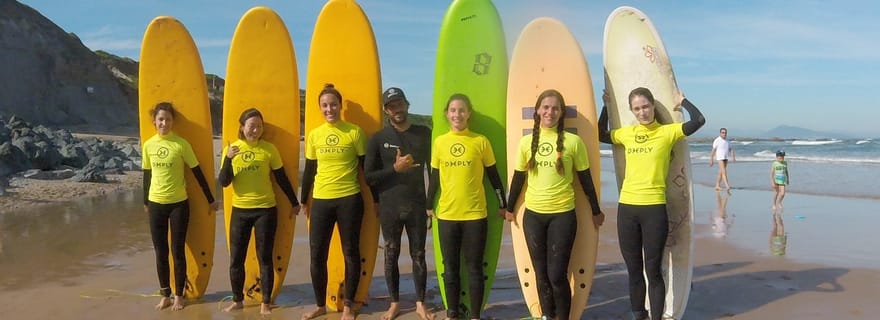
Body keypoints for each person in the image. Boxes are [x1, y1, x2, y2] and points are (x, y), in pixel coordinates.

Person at [598, 87, 705, 320]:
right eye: (637, 108)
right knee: (634, 270)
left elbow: (699, 120)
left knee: (653, 270)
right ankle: (639, 315)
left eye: (645, 106)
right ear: (632, 111)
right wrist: (606, 106)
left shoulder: (667, 133)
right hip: (626, 208)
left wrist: (682, 101)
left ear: (653, 106)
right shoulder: (626, 133)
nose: (642, 112)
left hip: (654, 209)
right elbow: (600, 134)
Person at [505, 89, 604, 320]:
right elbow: (519, 178)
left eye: (555, 108)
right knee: (541, 275)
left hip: (563, 215)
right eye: (546, 107)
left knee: (557, 274)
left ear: (561, 113)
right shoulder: (526, 142)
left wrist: (596, 210)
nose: (550, 111)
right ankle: (548, 317)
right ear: (538, 111)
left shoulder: (573, 142)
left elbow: (585, 179)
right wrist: (509, 208)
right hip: (533, 216)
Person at [426, 93, 507, 320]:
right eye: (453, 110)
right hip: (447, 215)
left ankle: (474, 316)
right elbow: (434, 177)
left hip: (475, 215)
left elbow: (494, 176)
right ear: (446, 114)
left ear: (469, 113)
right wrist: (428, 205)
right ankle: (452, 313)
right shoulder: (440, 142)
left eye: (461, 110)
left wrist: (503, 204)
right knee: (450, 267)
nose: (457, 114)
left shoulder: (480, 141)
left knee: (474, 269)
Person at [219, 108, 300, 315]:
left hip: (266, 210)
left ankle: (265, 301)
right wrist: (228, 158)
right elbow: (224, 182)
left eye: (259, 126)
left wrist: (294, 202)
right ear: (242, 127)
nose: (255, 130)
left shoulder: (269, 149)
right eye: (251, 126)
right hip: (240, 211)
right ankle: (238, 300)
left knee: (265, 257)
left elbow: (281, 178)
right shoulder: (233, 149)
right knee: (236, 259)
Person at [301, 84, 370, 320]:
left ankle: (349, 306)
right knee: (317, 255)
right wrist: (303, 201)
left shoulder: (354, 132)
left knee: (351, 252)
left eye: (333, 104)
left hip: (349, 199)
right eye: (324, 105)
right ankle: (320, 305)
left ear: (340, 106)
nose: (329, 109)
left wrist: (379, 199)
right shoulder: (314, 134)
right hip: (321, 200)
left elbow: (365, 168)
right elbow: (309, 170)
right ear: (320, 108)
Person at [364, 87, 434, 320]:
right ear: (386, 110)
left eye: (400, 103)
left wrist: (431, 203)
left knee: (418, 254)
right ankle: (394, 303)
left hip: (416, 205)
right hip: (390, 205)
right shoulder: (378, 139)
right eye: (392, 106)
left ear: (407, 104)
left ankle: (420, 303)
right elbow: (369, 177)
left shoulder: (424, 134)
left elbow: (434, 172)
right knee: (391, 253)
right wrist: (395, 169)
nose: (397, 109)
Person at [141, 102, 217, 311]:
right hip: (156, 203)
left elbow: (197, 172)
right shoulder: (148, 145)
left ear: (173, 122)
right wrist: (145, 202)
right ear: (154, 122)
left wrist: (210, 199)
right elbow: (146, 175)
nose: (164, 123)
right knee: (160, 251)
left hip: (179, 204)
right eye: (160, 119)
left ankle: (179, 296)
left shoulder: (181, 144)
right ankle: (165, 294)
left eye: (168, 119)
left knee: (178, 251)